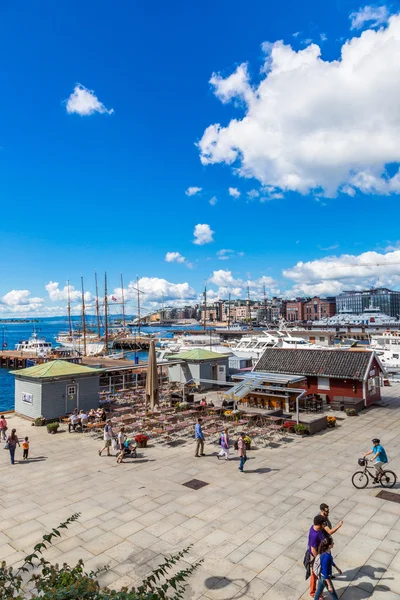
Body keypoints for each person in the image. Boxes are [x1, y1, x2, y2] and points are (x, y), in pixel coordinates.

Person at [307, 515, 326, 597]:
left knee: (317, 574)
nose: (325, 524)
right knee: (315, 574)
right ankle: (313, 593)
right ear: (320, 524)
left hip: (320, 554)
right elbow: (313, 550)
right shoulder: (314, 535)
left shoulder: (315, 528)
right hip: (315, 557)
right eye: (323, 523)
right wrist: (319, 559)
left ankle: (317, 592)